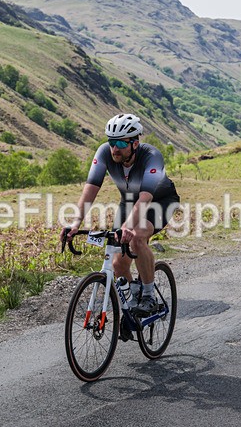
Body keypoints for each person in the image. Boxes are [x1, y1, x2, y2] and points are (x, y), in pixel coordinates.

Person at [63, 113, 180, 317]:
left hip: (159, 200)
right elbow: (90, 190)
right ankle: (134, 296)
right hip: (128, 203)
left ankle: (149, 296)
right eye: (111, 142)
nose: (114, 148)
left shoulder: (152, 156)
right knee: (118, 263)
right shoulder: (104, 153)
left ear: (135, 143)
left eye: (120, 143)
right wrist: (75, 223)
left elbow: (145, 198)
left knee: (138, 237)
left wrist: (127, 226)